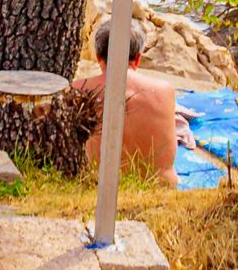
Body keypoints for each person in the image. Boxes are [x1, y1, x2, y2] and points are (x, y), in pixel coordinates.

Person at [72, 18, 179, 188]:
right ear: (137, 59)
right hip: (158, 191)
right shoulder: (165, 91)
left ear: (98, 56)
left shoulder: (78, 90)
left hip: (96, 187)